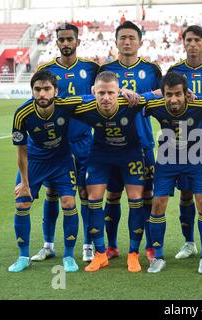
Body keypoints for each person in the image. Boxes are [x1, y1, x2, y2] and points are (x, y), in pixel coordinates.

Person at [32, 23, 99, 263]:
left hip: (83, 143)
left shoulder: (92, 68)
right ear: (57, 42)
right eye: (62, 39)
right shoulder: (46, 69)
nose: (66, 43)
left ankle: (88, 245)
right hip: (56, 146)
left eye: (70, 39)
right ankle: (48, 244)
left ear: (78, 41)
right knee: (52, 193)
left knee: (85, 193)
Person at [69, 71, 147, 273]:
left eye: (111, 93)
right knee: (93, 199)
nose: (106, 98)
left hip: (130, 154)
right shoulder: (85, 106)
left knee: (135, 199)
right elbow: (58, 103)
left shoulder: (131, 102)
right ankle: (100, 254)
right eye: (101, 92)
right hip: (101, 155)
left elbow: (159, 95)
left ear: (118, 91)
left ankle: (133, 253)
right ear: (93, 91)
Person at [99, 21, 162, 263]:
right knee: (112, 196)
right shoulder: (105, 70)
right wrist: (121, 91)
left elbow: (162, 94)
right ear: (115, 42)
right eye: (122, 37)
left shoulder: (151, 69)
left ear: (140, 42)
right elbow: (95, 94)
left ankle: (147, 245)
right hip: (110, 144)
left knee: (145, 195)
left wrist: (141, 97)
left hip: (142, 143)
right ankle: (112, 245)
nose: (126, 42)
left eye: (131, 38)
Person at [9, 70, 82, 273]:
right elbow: (21, 150)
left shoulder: (65, 105)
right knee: (22, 202)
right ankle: (23, 256)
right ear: (32, 91)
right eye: (37, 89)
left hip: (62, 160)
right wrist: (24, 183)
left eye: (47, 89)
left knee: (68, 202)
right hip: (35, 161)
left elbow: (91, 99)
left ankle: (68, 256)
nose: (42, 94)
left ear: (56, 91)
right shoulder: (22, 113)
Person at [143, 72, 202, 274]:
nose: (173, 99)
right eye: (168, 95)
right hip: (167, 160)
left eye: (177, 94)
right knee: (157, 204)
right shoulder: (155, 106)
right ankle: (158, 257)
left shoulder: (199, 106)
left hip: (196, 158)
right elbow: (137, 101)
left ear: (186, 94)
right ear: (163, 94)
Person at [168, 25, 202, 260]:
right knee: (186, 193)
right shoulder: (175, 70)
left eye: (197, 40)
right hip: (182, 139)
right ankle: (189, 242)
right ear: (184, 43)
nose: (192, 44)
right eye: (188, 40)